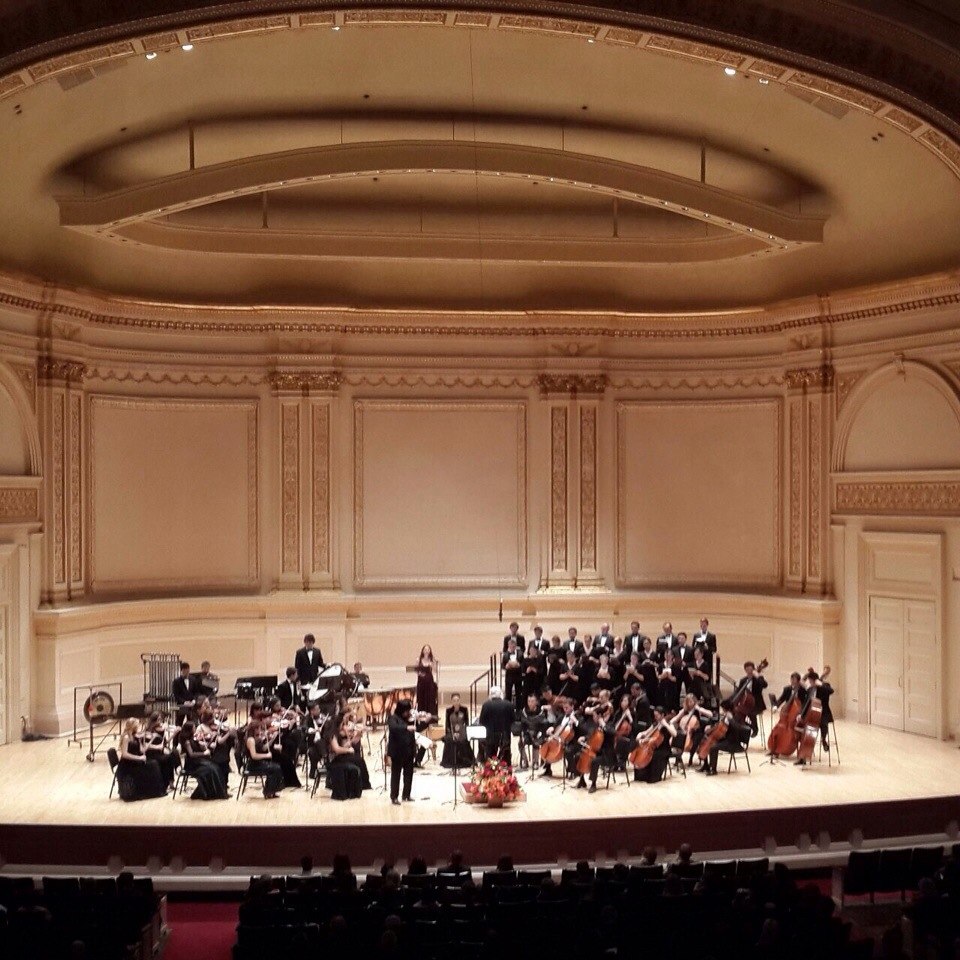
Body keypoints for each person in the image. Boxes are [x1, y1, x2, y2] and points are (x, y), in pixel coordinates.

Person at [116, 719, 166, 801]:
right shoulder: (126, 737)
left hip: (135, 762)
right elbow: (124, 754)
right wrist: (139, 758)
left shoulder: (135, 736)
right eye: (137, 725)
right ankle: (149, 791)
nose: (139, 727)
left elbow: (142, 750)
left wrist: (150, 740)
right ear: (133, 726)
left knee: (154, 764)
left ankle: (155, 791)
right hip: (127, 764)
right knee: (152, 766)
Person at [179, 722, 228, 800]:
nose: (195, 729)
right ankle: (208, 793)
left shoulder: (193, 738)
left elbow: (201, 747)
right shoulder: (187, 741)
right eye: (194, 728)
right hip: (192, 764)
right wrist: (204, 753)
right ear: (190, 730)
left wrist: (202, 744)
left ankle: (218, 792)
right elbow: (191, 754)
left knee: (215, 767)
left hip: (198, 761)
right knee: (210, 770)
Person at [325, 715, 363, 800]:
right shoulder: (332, 735)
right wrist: (348, 750)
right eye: (342, 724)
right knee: (356, 762)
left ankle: (352, 792)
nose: (344, 726)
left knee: (358, 762)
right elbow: (337, 750)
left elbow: (344, 746)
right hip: (334, 761)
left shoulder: (338, 734)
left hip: (339, 758)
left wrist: (356, 735)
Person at [244, 720, 284, 798]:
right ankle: (268, 791)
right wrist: (266, 755)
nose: (261, 731)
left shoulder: (257, 738)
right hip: (253, 765)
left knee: (277, 766)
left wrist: (272, 739)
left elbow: (264, 748)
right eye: (259, 729)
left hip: (259, 763)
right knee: (274, 768)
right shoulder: (250, 740)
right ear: (254, 729)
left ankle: (272, 790)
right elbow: (254, 756)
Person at [387, 699, 416, 805]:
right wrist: (406, 727)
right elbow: (393, 728)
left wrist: (425, 720)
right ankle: (394, 797)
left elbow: (416, 727)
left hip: (408, 750)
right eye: (406, 711)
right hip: (397, 751)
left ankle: (406, 795)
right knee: (396, 775)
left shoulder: (409, 719)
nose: (408, 713)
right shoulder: (393, 718)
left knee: (409, 774)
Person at [478, 685, 516, 764]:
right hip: (505, 735)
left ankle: (490, 768)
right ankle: (506, 767)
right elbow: (513, 720)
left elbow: (482, 721)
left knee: (491, 757)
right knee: (505, 756)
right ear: (501, 694)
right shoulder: (509, 704)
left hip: (490, 736)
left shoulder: (486, 705)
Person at [733, 660, 768, 736]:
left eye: (750, 669)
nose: (749, 671)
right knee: (736, 714)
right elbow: (738, 691)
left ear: (753, 669)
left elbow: (765, 685)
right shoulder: (743, 680)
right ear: (745, 670)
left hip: (757, 704)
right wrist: (731, 701)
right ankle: (748, 727)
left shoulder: (758, 678)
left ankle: (755, 729)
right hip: (745, 703)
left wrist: (758, 676)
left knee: (751, 712)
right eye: (747, 669)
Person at [440, 692, 474, 770]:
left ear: (459, 700)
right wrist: (451, 734)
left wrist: (464, 733)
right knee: (450, 740)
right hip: (452, 732)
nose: (456, 702)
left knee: (463, 740)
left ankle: (465, 760)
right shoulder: (449, 710)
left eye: (457, 700)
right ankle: (450, 761)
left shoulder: (464, 709)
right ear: (452, 701)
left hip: (462, 731)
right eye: (454, 700)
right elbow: (447, 724)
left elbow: (466, 723)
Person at [806, 668, 835, 751]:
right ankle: (807, 744)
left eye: (811, 681)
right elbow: (806, 702)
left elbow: (831, 691)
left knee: (823, 723)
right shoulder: (810, 689)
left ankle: (823, 740)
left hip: (824, 712)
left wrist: (821, 684)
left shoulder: (825, 686)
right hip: (812, 713)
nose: (810, 683)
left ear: (815, 681)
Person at [415, 644, 438, 717]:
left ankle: (430, 715)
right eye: (425, 649)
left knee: (430, 698)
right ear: (422, 651)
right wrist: (420, 673)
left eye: (428, 649)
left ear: (430, 651)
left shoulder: (432, 660)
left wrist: (433, 665)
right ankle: (421, 715)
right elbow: (416, 670)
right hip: (421, 682)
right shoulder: (418, 660)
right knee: (421, 698)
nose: (426, 651)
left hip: (429, 682)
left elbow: (435, 671)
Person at [501, 637, 525, 709]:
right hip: (509, 677)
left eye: (513, 646)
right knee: (508, 693)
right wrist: (506, 667)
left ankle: (519, 710)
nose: (512, 647)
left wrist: (518, 665)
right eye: (510, 646)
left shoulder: (520, 654)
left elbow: (523, 664)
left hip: (518, 676)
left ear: (515, 646)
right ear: (508, 646)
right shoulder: (505, 655)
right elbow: (502, 665)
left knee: (518, 694)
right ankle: (507, 709)